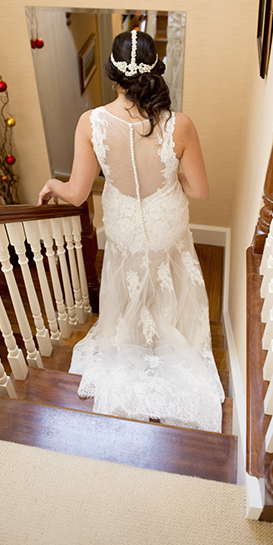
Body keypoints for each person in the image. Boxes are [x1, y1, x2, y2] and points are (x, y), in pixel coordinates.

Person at [38, 30, 224, 432]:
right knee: (167, 276)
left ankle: (133, 341)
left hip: (122, 221)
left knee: (128, 278)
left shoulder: (91, 123)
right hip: (165, 219)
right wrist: (170, 179)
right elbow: (200, 191)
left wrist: (53, 185)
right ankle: (167, 338)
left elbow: (77, 194)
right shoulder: (180, 125)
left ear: (112, 74)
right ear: (156, 70)